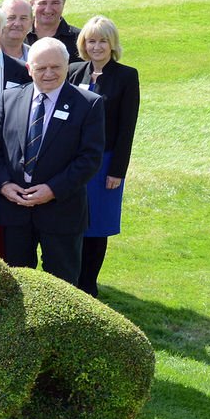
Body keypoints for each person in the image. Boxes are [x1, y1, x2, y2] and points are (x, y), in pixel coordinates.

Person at [0, 39, 106, 284]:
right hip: (15, 210)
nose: (49, 74)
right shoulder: (9, 99)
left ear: (67, 66)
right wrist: (4, 185)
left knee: (62, 285)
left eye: (55, 67)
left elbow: (89, 158)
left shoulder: (88, 104)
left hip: (61, 211)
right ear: (29, 69)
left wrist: (52, 190)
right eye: (41, 68)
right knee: (16, 283)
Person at [68, 16, 140, 296]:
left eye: (102, 41)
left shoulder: (126, 76)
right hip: (74, 164)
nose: (96, 46)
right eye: (91, 40)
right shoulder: (74, 72)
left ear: (112, 44)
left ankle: (88, 285)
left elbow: (126, 128)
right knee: (72, 222)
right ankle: (70, 281)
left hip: (105, 164)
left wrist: (117, 171)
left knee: (97, 225)